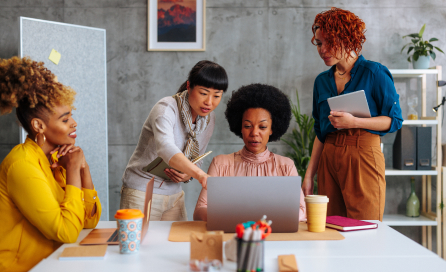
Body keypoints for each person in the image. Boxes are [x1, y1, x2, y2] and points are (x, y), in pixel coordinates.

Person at [0, 56, 102, 271]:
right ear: (39, 125)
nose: (73, 123)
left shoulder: (56, 160)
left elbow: (89, 221)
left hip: (53, 262)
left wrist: (84, 170)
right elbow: (66, 231)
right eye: (64, 119)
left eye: (71, 116)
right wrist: (73, 169)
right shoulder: (22, 165)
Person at [303, 8, 403, 221]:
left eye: (328, 42)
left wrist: (354, 122)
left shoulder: (374, 73)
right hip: (328, 156)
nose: (322, 49)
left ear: (347, 38)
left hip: (363, 154)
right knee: (330, 227)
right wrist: (309, 175)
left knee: (366, 229)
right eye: (319, 43)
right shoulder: (321, 81)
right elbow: (320, 132)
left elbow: (394, 120)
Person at [121, 60, 228, 221]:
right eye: (203, 93)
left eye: (217, 96)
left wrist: (188, 175)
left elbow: (197, 157)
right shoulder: (166, 108)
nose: (209, 102)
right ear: (188, 86)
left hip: (174, 194)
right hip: (142, 191)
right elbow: (165, 148)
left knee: (177, 243)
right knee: (139, 245)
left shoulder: (208, 118)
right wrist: (200, 175)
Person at [193, 83, 306, 221]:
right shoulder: (221, 164)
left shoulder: (286, 166)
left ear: (272, 129)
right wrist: (230, 218)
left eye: (262, 127)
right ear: (240, 127)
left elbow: (301, 210)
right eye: (247, 126)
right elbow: (199, 211)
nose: (254, 133)